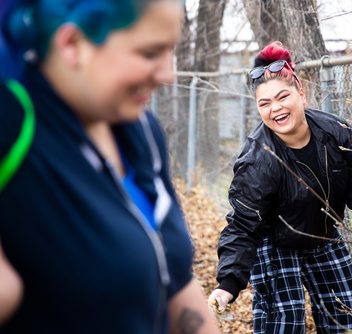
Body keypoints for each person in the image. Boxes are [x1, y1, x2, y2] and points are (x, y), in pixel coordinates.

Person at [0, 0, 220, 333]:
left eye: (170, 51)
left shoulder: (141, 131)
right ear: (72, 44)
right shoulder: (13, 128)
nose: (167, 74)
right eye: (150, 53)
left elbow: (176, 282)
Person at [209, 41, 352, 333]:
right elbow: (242, 226)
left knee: (347, 321)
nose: (275, 109)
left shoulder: (339, 135)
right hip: (275, 244)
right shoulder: (257, 160)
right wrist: (228, 283)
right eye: (264, 103)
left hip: (324, 236)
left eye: (282, 97)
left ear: (301, 92)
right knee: (285, 323)